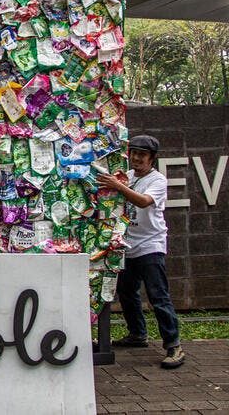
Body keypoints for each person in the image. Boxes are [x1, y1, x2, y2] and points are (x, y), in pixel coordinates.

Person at [96, 134, 185, 369]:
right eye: (133, 153)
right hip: (128, 244)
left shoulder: (157, 180)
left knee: (158, 296)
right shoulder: (129, 176)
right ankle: (138, 334)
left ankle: (173, 345)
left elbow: (144, 202)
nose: (136, 158)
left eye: (142, 155)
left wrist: (117, 186)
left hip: (150, 244)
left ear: (152, 158)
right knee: (126, 292)